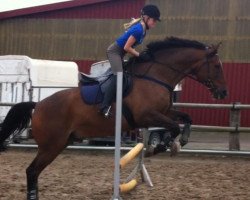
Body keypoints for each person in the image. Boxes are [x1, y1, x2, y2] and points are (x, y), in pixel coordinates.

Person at [100, 4, 161, 118]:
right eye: (154, 20)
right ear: (146, 18)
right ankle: (104, 105)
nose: (154, 23)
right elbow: (126, 48)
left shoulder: (143, 29)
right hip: (114, 52)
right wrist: (139, 55)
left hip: (120, 53)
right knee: (119, 76)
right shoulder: (138, 29)